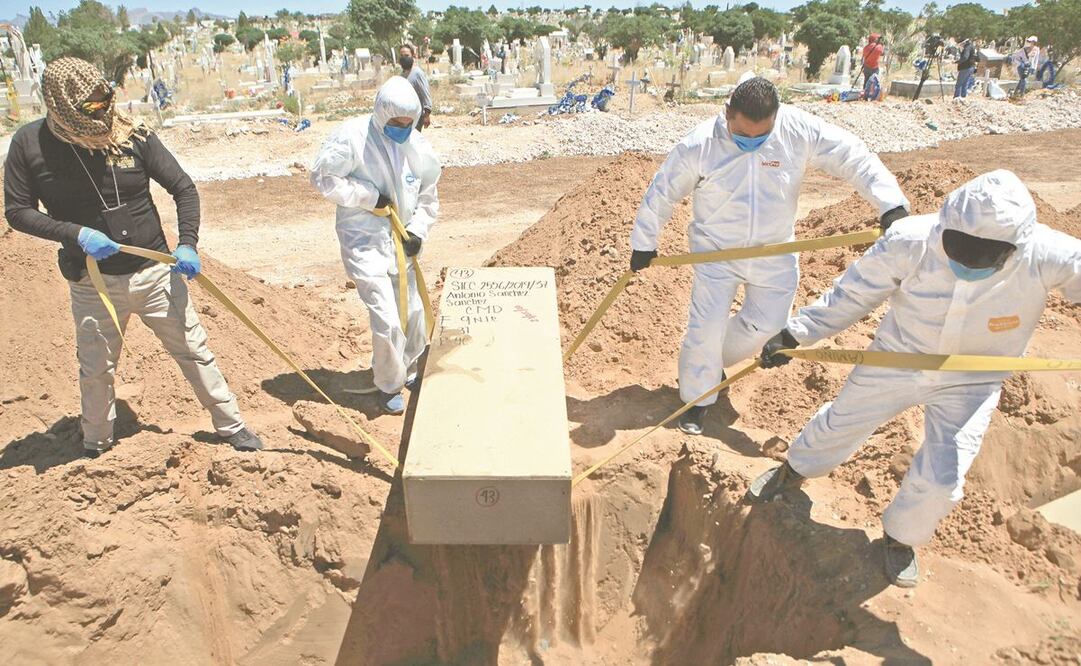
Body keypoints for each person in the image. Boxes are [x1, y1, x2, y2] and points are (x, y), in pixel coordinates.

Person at [750, 170, 1081, 588]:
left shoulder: (1048, 254)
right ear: (945, 228)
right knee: (843, 421)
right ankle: (795, 468)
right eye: (959, 250)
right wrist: (796, 334)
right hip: (897, 356)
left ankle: (900, 537)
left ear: (1017, 246)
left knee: (944, 476)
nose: (966, 264)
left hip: (971, 382)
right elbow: (852, 294)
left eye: (984, 257)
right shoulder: (910, 240)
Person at [3, 57, 263, 457]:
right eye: (91, 108)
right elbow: (18, 212)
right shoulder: (29, 145)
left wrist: (188, 242)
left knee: (194, 352)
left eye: (106, 99)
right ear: (64, 105)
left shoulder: (132, 136)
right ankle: (96, 444)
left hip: (155, 274)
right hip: (92, 282)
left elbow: (184, 188)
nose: (105, 112)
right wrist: (75, 234)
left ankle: (232, 427)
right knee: (96, 370)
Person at [629, 77, 909, 436]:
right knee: (706, 328)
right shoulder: (700, 144)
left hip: (775, 251)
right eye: (743, 135)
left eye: (761, 137)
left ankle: (710, 365)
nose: (751, 143)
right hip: (716, 251)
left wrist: (891, 205)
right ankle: (696, 401)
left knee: (767, 330)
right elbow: (662, 191)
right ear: (727, 113)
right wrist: (644, 241)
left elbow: (852, 156)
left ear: (776, 119)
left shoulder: (797, 129)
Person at [309, 77, 441, 415]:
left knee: (411, 310)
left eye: (407, 123)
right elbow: (323, 178)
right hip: (363, 239)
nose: (401, 129)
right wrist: (368, 197)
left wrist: (418, 232)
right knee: (386, 316)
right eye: (395, 123)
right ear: (381, 114)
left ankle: (408, 370)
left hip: (401, 239)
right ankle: (387, 384)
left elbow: (427, 196)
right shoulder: (352, 137)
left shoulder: (417, 147)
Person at [399, 43, 432, 132]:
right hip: (405, 116)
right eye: (401, 55)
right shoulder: (403, 74)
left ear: (413, 56)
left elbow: (425, 94)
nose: (404, 58)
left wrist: (427, 115)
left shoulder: (417, 73)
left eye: (406, 55)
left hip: (416, 116)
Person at [860, 34, 885, 100]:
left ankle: (864, 96)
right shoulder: (879, 47)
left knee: (866, 81)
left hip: (866, 67)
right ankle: (873, 97)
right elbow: (882, 53)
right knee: (874, 82)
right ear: (875, 39)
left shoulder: (865, 48)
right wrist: (880, 44)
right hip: (874, 67)